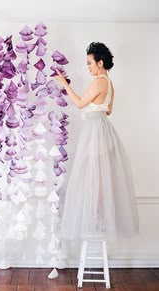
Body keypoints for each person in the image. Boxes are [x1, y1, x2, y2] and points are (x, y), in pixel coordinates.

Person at [55, 42, 139, 240]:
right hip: (104, 129)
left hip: (94, 129)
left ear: (100, 63)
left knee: (91, 173)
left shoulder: (99, 81)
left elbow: (80, 103)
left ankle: (95, 219)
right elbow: (108, 110)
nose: (88, 67)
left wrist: (65, 84)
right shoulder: (109, 83)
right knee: (100, 175)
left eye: (90, 63)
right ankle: (100, 218)